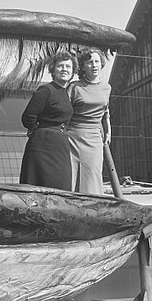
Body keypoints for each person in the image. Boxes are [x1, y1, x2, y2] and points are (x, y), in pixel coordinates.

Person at [19, 51, 76, 190]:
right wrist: (38, 130)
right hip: (43, 146)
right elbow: (28, 118)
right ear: (53, 70)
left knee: (62, 187)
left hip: (60, 145)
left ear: (73, 71)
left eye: (68, 67)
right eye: (60, 66)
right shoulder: (46, 90)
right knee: (42, 187)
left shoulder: (65, 93)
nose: (64, 69)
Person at [67, 49, 112, 194]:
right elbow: (64, 110)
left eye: (97, 61)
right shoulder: (74, 86)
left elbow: (105, 111)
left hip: (94, 138)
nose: (94, 65)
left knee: (92, 174)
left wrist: (108, 131)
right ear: (83, 66)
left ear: (101, 64)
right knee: (72, 175)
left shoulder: (107, 88)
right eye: (89, 62)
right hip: (73, 136)